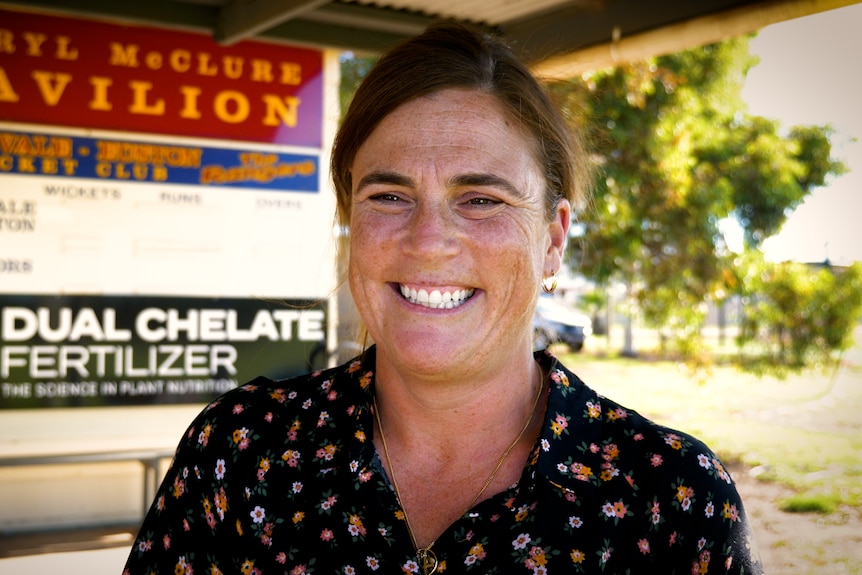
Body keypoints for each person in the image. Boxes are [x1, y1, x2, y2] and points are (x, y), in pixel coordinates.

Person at [122, 22, 762, 575]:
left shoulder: (670, 500)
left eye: (481, 199)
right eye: (389, 196)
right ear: (351, 222)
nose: (428, 242)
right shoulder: (241, 455)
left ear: (552, 239)